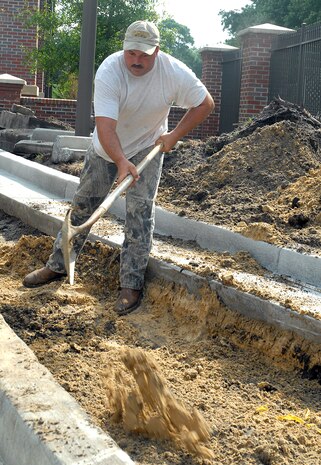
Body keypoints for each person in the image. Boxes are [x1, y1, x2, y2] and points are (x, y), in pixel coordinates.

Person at [23, 20, 214, 315]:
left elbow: (205, 104)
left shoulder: (173, 72)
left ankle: (131, 284)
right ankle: (58, 266)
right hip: (105, 148)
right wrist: (121, 161)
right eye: (131, 53)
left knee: (140, 214)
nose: (136, 60)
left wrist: (173, 136)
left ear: (157, 51)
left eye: (144, 54)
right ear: (124, 49)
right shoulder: (110, 71)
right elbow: (105, 126)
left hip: (148, 147)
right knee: (84, 206)